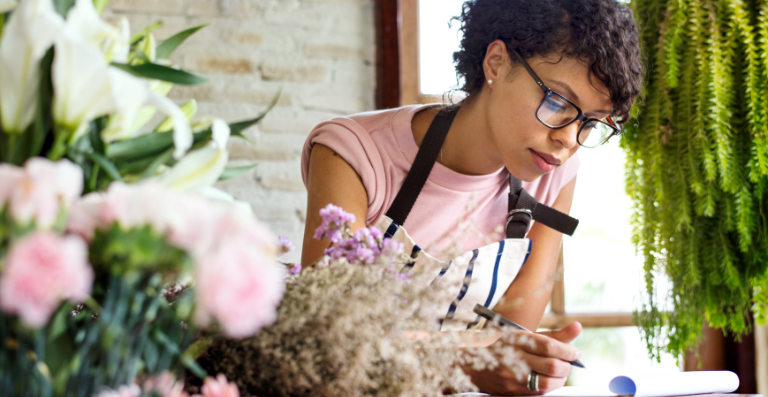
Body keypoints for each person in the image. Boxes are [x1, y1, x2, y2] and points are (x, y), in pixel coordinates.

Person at [300, 0, 642, 394]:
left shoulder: (555, 174)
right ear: (496, 62)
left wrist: (524, 359)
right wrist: (464, 361)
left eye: (592, 121)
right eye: (558, 102)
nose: (568, 138)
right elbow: (328, 339)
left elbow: (511, 335)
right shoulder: (353, 154)